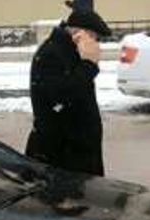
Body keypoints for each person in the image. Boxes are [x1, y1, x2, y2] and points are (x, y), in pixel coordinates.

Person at [25, 9, 111, 177]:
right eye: (94, 37)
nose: (96, 44)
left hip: (78, 150)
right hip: (63, 155)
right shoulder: (51, 54)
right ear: (79, 33)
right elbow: (61, 96)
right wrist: (89, 65)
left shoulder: (73, 51)